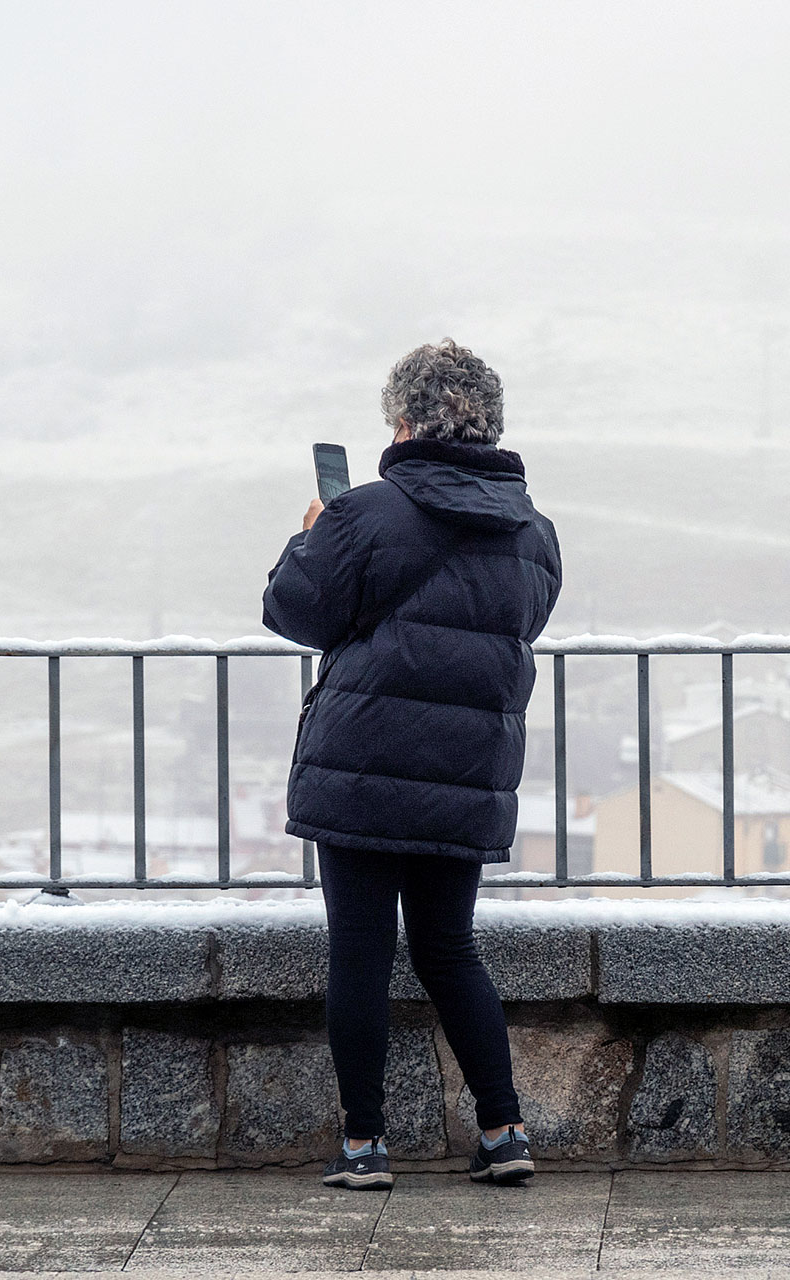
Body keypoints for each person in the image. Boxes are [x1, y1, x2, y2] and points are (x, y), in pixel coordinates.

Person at [261, 339, 562, 1190]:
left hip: (361, 766)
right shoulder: (533, 532)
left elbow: (293, 611)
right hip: (466, 770)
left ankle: (364, 1147)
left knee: (359, 952)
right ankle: (504, 1131)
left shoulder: (364, 512)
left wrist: (310, 536)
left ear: (402, 421)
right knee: (449, 948)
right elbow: (520, 627)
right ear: (490, 423)